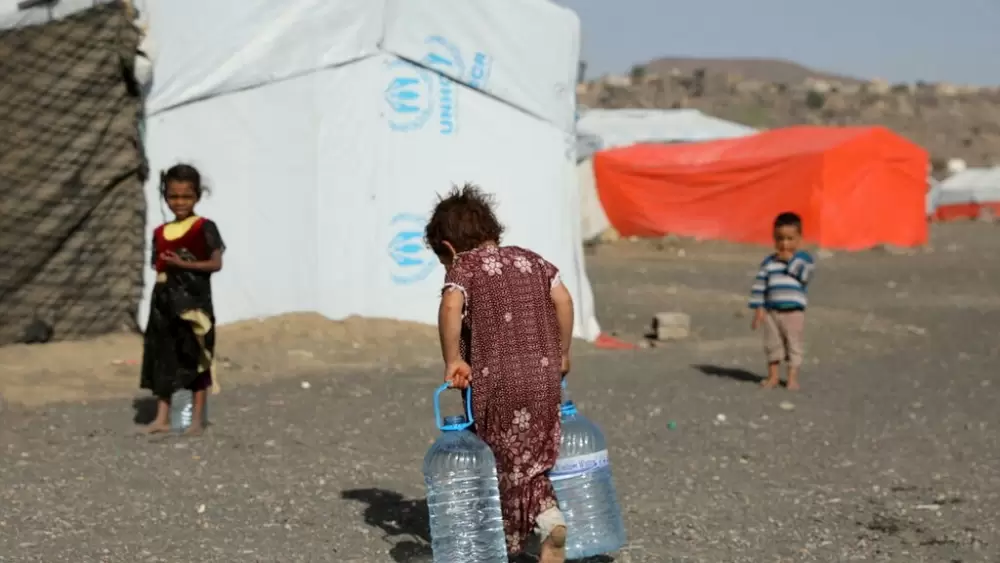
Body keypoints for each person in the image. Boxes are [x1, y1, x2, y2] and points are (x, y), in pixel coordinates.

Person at [425, 184, 575, 563]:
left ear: (448, 248)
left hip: (496, 383)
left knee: (501, 460)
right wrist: (563, 352)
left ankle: (506, 543)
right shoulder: (532, 260)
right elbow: (564, 300)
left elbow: (450, 307)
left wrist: (452, 360)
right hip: (543, 379)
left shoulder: (464, 267)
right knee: (533, 457)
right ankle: (549, 520)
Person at [140, 164, 225, 436]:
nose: (179, 203)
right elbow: (159, 267)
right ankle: (162, 417)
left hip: (193, 304)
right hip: (164, 302)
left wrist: (184, 264)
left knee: (195, 357)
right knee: (162, 355)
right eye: (174, 197)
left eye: (186, 197)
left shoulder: (204, 228)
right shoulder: (160, 233)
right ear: (165, 197)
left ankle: (197, 420)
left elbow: (215, 264)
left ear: (197, 196)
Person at [749, 212, 815, 391]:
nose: (784, 244)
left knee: (793, 344)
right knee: (772, 345)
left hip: (793, 312)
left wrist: (791, 261)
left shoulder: (803, 260)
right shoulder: (769, 262)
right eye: (780, 239)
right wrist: (759, 308)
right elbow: (760, 286)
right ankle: (773, 377)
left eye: (789, 238)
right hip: (772, 312)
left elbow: (806, 276)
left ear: (799, 239)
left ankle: (792, 378)